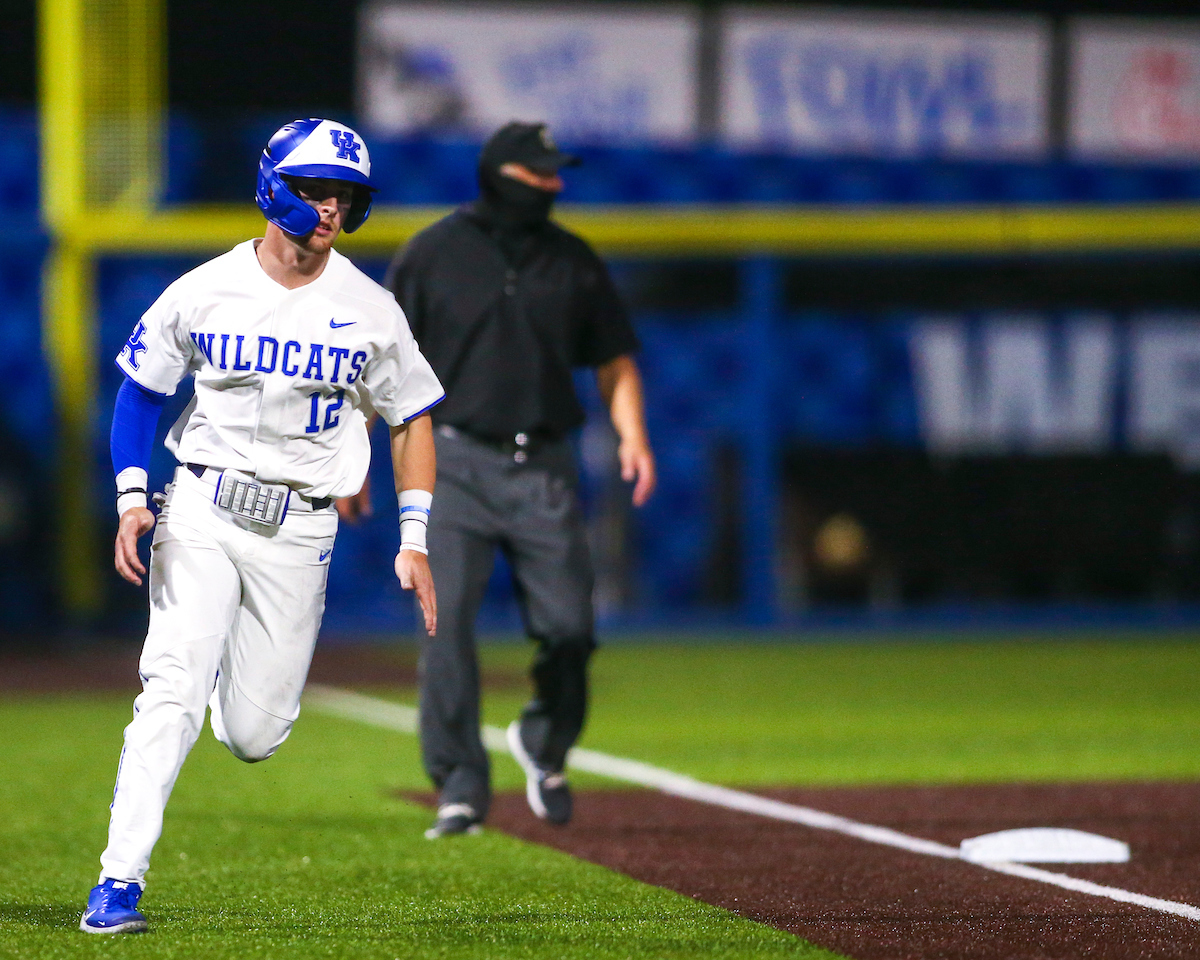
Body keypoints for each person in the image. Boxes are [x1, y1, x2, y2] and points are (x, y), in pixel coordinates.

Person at [80, 119, 444, 934]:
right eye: (315, 190)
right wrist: (132, 496)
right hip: (202, 504)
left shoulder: (370, 308)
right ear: (273, 185)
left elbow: (413, 416)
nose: (329, 209)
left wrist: (414, 538)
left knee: (252, 734)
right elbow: (142, 391)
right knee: (170, 689)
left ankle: (226, 685)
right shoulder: (204, 288)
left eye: (343, 197)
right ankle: (117, 884)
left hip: (300, 528)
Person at [351, 121, 656, 838]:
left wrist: (634, 433)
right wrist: (353, 454)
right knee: (443, 623)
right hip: (450, 463)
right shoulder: (431, 254)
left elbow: (613, 357)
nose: (551, 185)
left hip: (544, 465)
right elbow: (384, 364)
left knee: (571, 629)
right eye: (537, 174)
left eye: (556, 175)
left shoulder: (573, 260)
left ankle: (544, 739)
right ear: (499, 175)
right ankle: (458, 783)